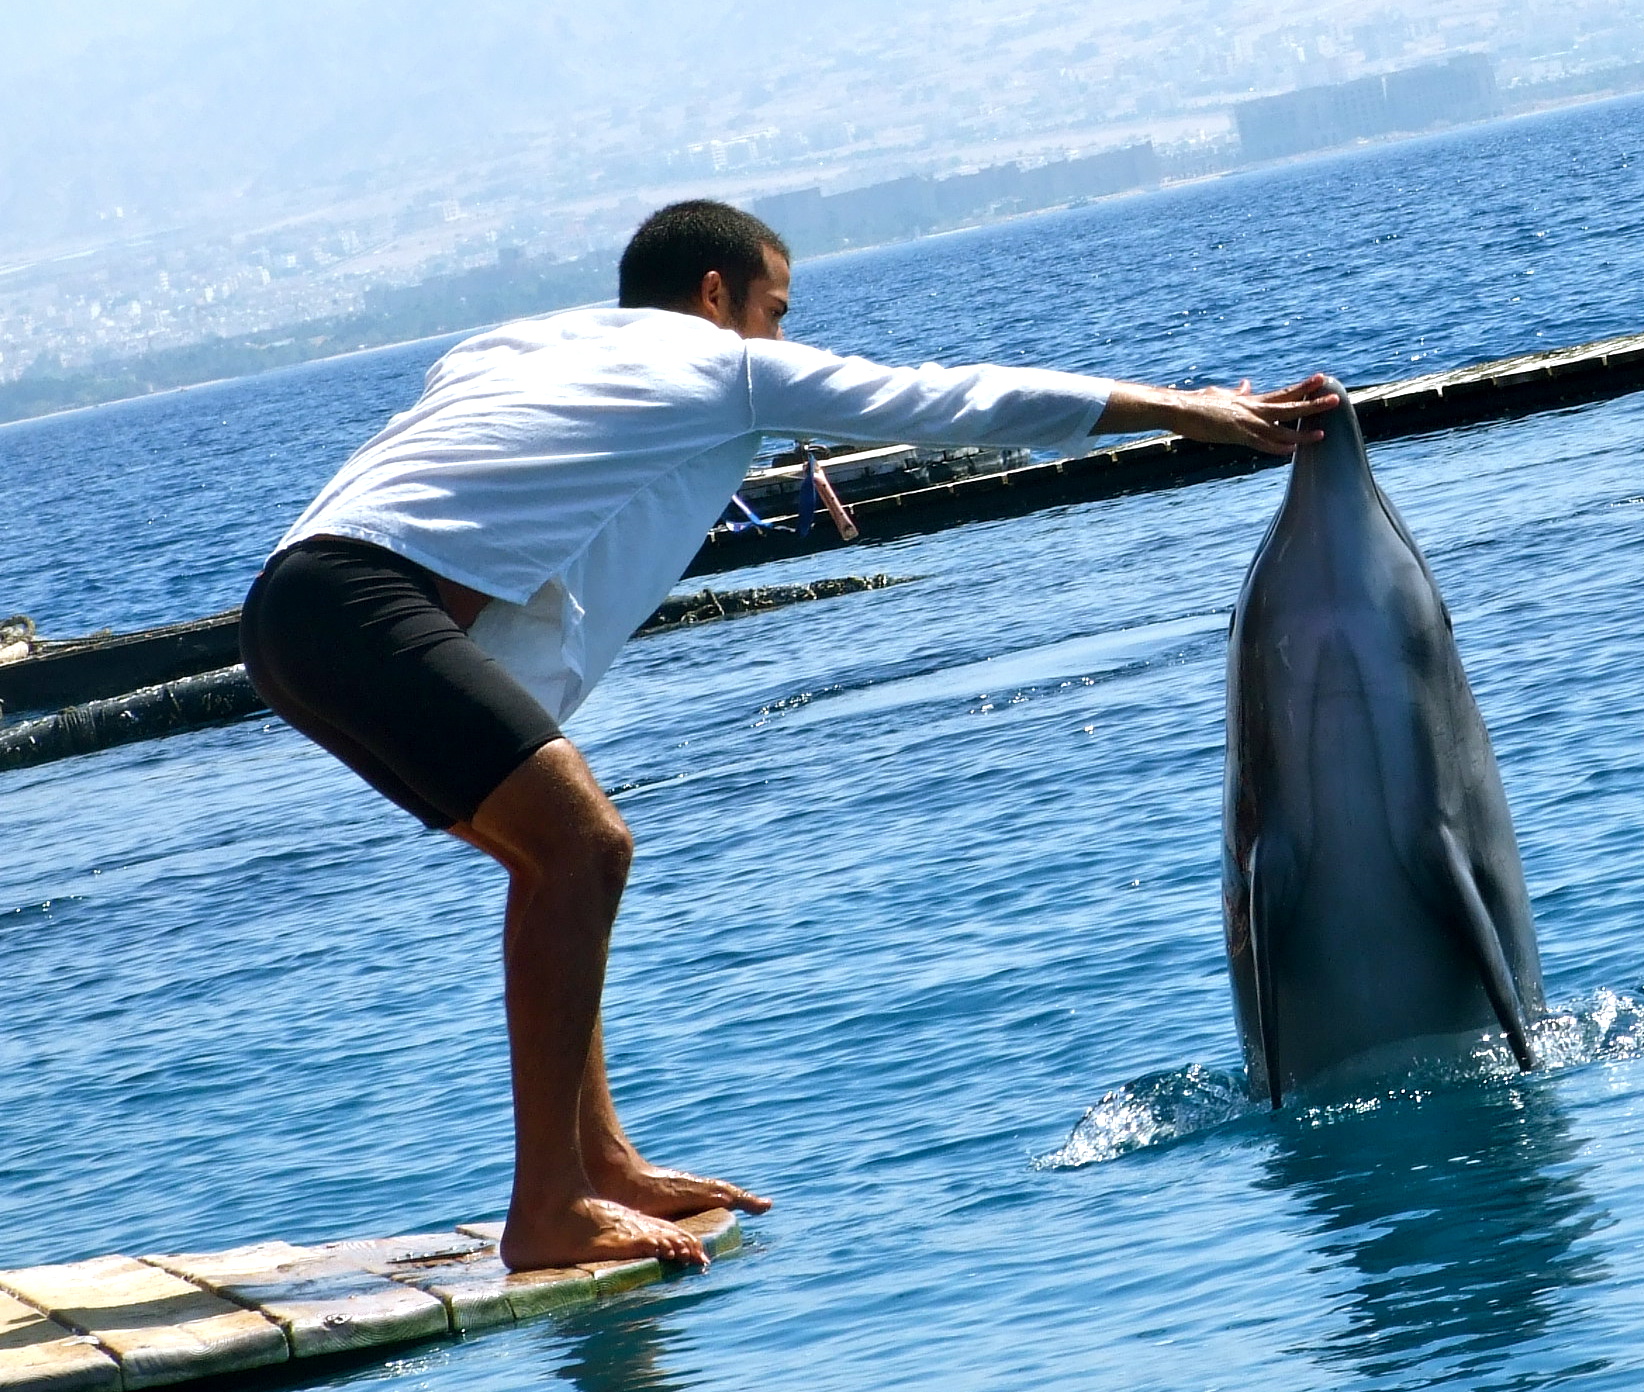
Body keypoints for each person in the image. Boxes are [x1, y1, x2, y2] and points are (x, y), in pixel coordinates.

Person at [239, 200, 1339, 1270]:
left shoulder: (520, 344)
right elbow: (947, 400)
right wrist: (1181, 408)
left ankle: (601, 1162)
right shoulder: (723, 365)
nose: (780, 336)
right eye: (775, 309)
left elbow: (514, 485)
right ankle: (548, 1205)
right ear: (715, 295)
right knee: (585, 848)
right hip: (365, 606)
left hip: (289, 610)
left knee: (555, 859)